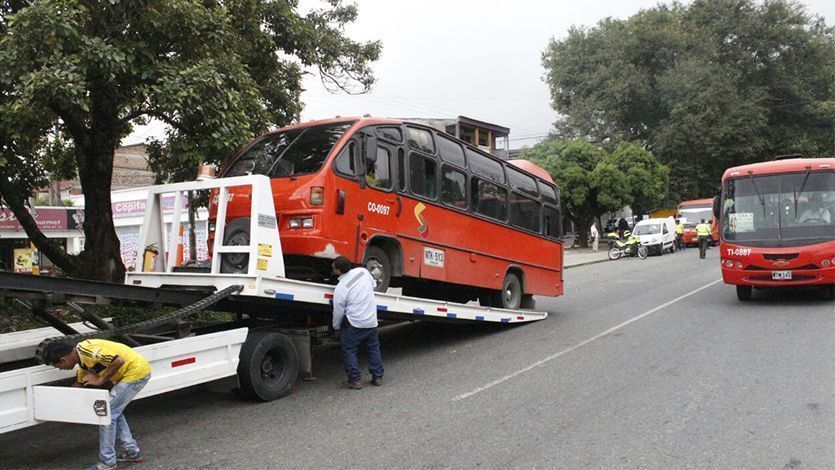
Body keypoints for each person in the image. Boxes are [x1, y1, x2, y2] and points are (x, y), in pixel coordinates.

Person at [41, 338, 152, 470]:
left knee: (106, 415)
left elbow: (118, 361)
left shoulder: (88, 351)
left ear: (63, 359)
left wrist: (100, 379)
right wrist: (61, 401)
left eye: (57, 366)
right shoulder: (82, 362)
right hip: (130, 374)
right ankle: (131, 452)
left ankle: (108, 462)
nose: (60, 369)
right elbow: (80, 383)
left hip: (136, 373)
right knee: (114, 412)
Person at [331, 255, 384, 389]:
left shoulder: (340, 288)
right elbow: (373, 285)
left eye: (333, 267)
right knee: (373, 348)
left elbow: (338, 311)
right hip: (371, 320)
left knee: (349, 349)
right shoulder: (363, 272)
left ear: (338, 270)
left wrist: (336, 327)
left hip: (355, 323)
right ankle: (377, 377)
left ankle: (355, 380)